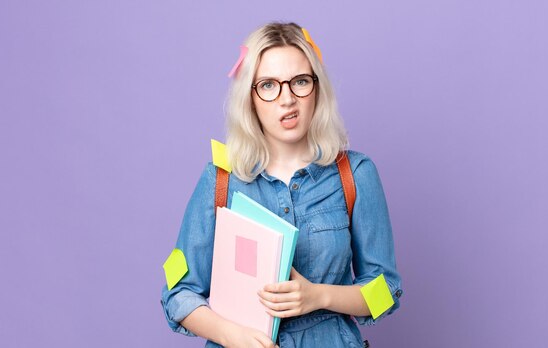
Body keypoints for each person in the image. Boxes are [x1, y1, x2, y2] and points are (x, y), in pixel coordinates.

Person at [161, 22, 402, 348]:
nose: (287, 99)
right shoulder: (220, 179)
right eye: (269, 85)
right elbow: (178, 294)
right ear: (251, 97)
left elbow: (385, 291)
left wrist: (318, 296)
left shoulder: (355, 173)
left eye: (300, 81)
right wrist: (233, 337)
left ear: (317, 89)